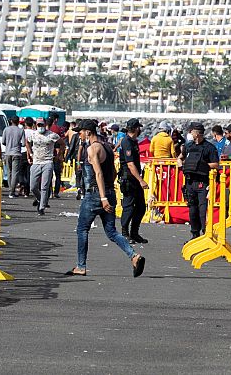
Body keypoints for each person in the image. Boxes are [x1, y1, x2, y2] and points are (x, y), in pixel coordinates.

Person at [66, 119, 145, 277]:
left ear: (88, 132)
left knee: (82, 229)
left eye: (80, 132)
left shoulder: (92, 148)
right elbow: (113, 172)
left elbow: (98, 173)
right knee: (111, 231)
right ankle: (133, 255)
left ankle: (81, 266)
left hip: (96, 194)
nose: (79, 135)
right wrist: (108, 193)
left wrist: (102, 198)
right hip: (109, 192)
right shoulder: (107, 147)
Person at [178, 122, 219, 240]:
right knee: (192, 210)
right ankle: (194, 234)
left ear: (197, 133)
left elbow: (216, 164)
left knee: (202, 210)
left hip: (202, 182)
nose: (190, 133)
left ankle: (206, 234)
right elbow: (180, 157)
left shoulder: (209, 148)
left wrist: (202, 166)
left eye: (192, 131)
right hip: (190, 182)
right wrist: (181, 164)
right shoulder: (189, 146)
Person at [117, 118, 149, 244]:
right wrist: (141, 180)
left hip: (134, 179)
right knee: (129, 207)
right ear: (136, 128)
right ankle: (125, 233)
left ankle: (134, 232)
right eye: (139, 128)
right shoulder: (127, 142)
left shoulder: (133, 141)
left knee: (141, 207)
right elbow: (130, 164)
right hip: (129, 179)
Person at [26, 118, 59, 216]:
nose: (40, 127)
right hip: (36, 162)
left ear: (45, 125)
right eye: (39, 125)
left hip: (47, 162)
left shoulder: (51, 135)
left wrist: (58, 155)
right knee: (33, 186)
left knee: (44, 186)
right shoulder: (33, 134)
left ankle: (42, 207)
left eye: (42, 125)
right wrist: (30, 154)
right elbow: (26, 142)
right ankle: (40, 199)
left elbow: (61, 143)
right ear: (36, 125)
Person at [2, 116, 24, 197]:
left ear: (11, 121)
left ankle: (10, 189)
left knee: (9, 172)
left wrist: (9, 144)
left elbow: (3, 141)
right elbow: (24, 143)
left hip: (7, 152)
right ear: (18, 122)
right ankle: (12, 191)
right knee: (15, 172)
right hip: (17, 153)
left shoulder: (6, 129)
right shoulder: (21, 130)